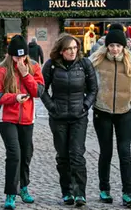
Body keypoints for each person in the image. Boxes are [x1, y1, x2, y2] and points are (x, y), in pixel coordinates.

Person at [90, 24, 131, 208]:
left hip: (124, 112)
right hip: (102, 111)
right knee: (106, 152)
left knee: (125, 152)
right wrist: (96, 97)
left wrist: (129, 96)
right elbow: (88, 83)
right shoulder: (96, 61)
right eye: (112, 45)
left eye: (118, 46)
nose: (115, 49)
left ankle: (127, 192)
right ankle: (104, 189)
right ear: (107, 46)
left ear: (124, 47)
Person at [40, 34, 98, 207]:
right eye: (68, 49)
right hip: (58, 118)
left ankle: (80, 193)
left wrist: (85, 106)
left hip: (78, 117)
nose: (72, 52)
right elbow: (42, 89)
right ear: (61, 51)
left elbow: (94, 89)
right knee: (63, 156)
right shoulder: (51, 65)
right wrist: (52, 107)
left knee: (77, 155)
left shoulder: (84, 64)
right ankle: (67, 192)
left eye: (74, 48)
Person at [0, 35, 44, 210]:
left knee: (26, 153)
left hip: (27, 118)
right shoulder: (1, 70)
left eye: (22, 57)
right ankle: (10, 194)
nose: (19, 60)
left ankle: (24, 187)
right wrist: (14, 98)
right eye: (16, 57)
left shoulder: (34, 67)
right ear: (10, 55)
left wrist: (25, 74)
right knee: (14, 154)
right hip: (6, 118)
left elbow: (38, 91)